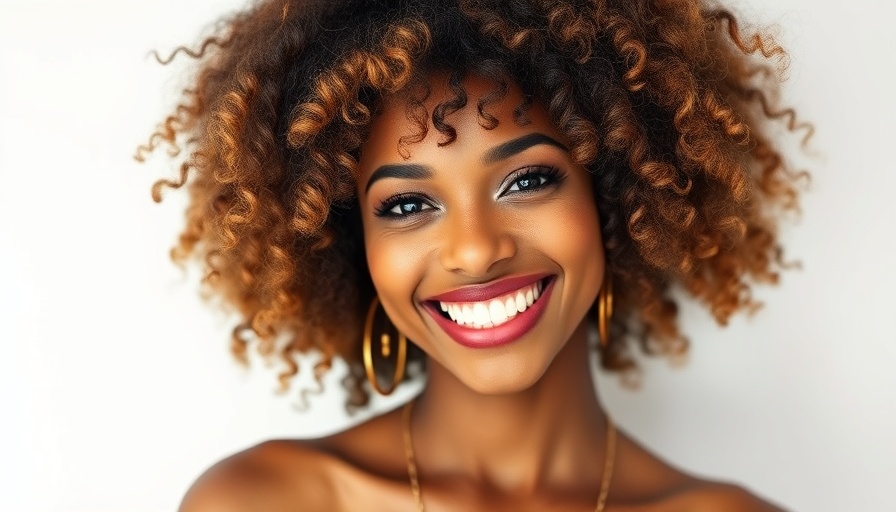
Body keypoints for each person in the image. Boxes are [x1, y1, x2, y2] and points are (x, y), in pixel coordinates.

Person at [140, 0, 806, 510]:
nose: (476, 250)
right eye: (407, 205)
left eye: (528, 180)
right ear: (351, 243)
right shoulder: (264, 501)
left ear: (613, 199)